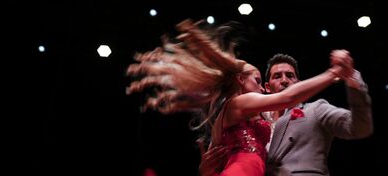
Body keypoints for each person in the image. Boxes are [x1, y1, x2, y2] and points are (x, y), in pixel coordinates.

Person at [126, 19, 354, 176]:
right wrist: (332, 73)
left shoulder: (242, 114)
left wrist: (207, 171)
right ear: (239, 81)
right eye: (257, 81)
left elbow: (216, 161)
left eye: (289, 75)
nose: (262, 89)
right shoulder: (239, 104)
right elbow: (286, 98)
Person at [199, 52, 373, 176]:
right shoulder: (249, 118)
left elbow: (360, 128)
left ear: (298, 82)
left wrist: (352, 81)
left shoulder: (316, 110)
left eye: (290, 75)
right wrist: (206, 171)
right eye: (277, 76)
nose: (284, 80)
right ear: (267, 88)